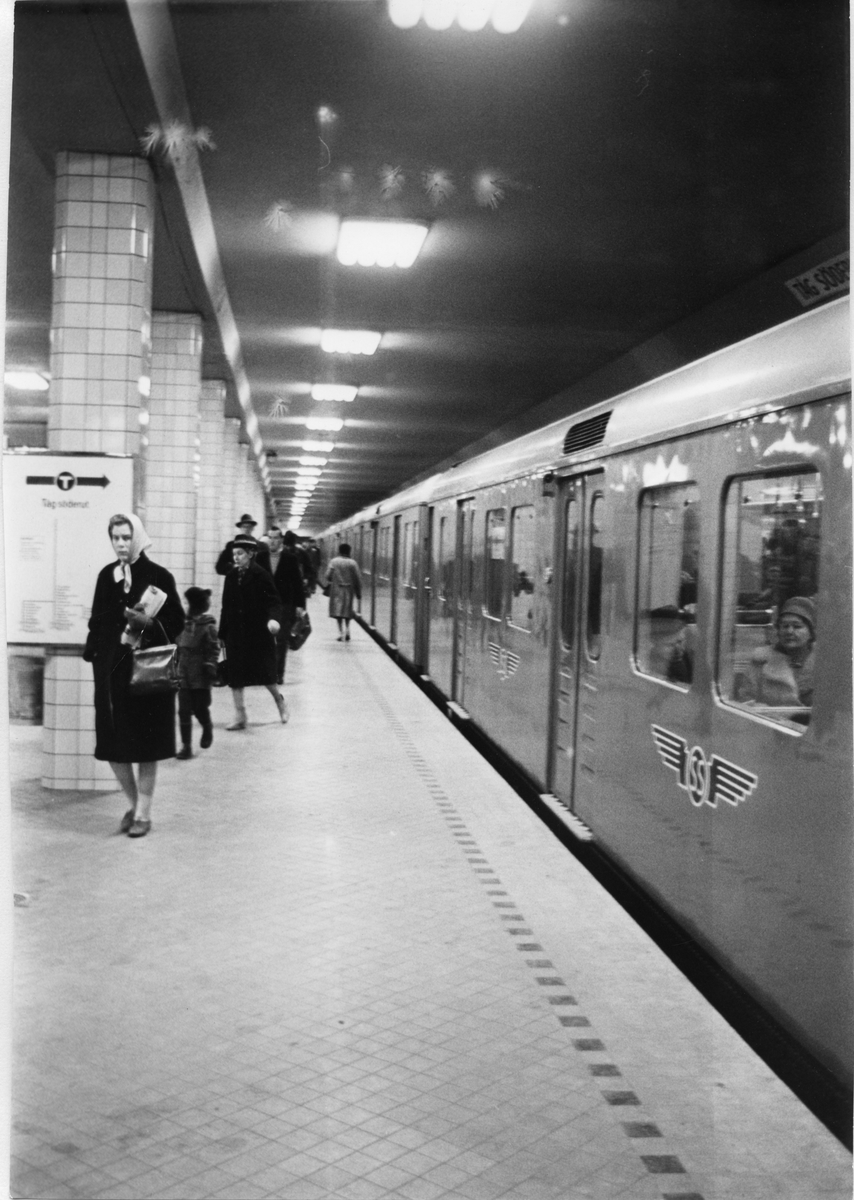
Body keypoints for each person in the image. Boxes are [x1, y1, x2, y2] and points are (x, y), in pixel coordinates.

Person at [82, 513, 184, 838]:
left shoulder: (159, 576)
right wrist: (95, 651)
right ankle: (134, 803)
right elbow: (96, 621)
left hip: (145, 673)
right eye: (116, 538)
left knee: (146, 744)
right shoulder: (105, 576)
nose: (121, 544)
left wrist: (149, 626)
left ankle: (143, 813)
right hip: (111, 674)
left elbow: (177, 622)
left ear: (137, 537)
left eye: (126, 537)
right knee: (114, 746)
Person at [218, 533, 288, 728]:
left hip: (257, 634)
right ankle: (240, 716)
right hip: (236, 634)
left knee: (266, 676)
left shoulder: (261, 575)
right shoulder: (231, 576)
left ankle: (280, 702)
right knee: (236, 677)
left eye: (240, 553)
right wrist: (222, 633)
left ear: (250, 554)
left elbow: (274, 602)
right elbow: (226, 605)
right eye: (234, 554)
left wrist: (273, 620)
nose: (236, 557)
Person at [736, 595, 816, 715]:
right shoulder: (760, 661)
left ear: (811, 633)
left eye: (797, 626)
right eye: (784, 626)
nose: (789, 631)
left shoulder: (825, 663)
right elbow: (745, 702)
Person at [175, 587, 220, 759]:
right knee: (183, 710)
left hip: (200, 673)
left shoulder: (208, 626)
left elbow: (215, 648)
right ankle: (186, 746)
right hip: (183, 672)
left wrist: (211, 665)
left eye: (187, 602)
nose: (184, 605)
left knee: (200, 708)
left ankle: (207, 727)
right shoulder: (181, 623)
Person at [267, 528, 307, 685]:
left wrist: (300, 605)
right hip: (265, 605)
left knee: (281, 640)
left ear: (281, 540)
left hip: (285, 605)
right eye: (270, 537)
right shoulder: (261, 557)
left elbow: (297, 582)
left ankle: (278, 674)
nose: (272, 541)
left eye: (275, 538)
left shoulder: (290, 559)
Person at [324, 543, 362, 641]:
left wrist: (334, 579)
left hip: (336, 590)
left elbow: (327, 575)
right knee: (347, 611)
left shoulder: (334, 561)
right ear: (349, 551)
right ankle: (348, 630)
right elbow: (358, 578)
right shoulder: (353, 563)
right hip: (349, 590)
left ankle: (341, 634)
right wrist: (358, 592)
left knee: (338, 612)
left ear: (339, 551)